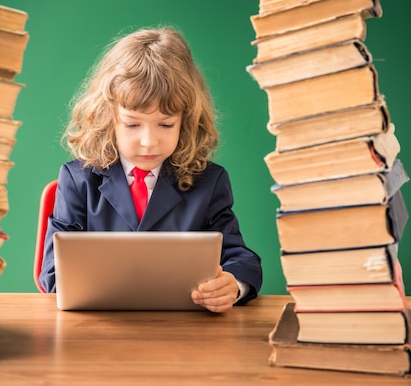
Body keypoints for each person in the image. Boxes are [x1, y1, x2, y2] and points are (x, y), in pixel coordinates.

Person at [38, 26, 263, 313]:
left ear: (187, 122)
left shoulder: (210, 182)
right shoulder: (78, 180)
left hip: (184, 336)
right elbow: (52, 272)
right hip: (97, 332)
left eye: (166, 124)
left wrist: (233, 284)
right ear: (109, 119)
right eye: (133, 124)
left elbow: (242, 259)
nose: (149, 141)